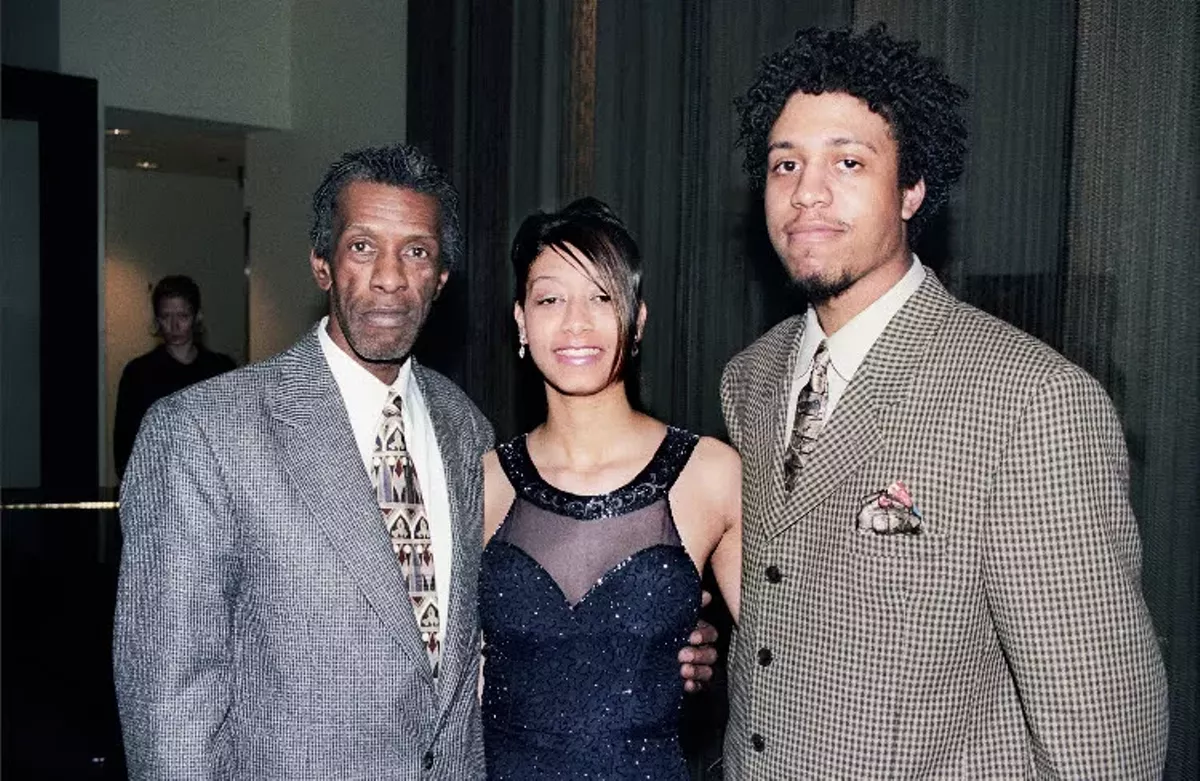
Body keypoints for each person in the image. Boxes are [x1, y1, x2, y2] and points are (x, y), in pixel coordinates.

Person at [113, 144, 714, 780]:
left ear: (441, 279)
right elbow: (168, 704)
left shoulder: (465, 431)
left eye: (417, 252)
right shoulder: (202, 432)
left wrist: (657, 637)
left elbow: (500, 639)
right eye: (363, 247)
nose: (391, 277)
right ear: (322, 264)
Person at [719, 25, 1169, 778]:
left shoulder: (1034, 403)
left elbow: (1101, 734)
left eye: (849, 161)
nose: (807, 191)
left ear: (913, 188)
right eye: (785, 163)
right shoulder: (750, 379)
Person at [478, 198, 742, 779]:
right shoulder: (482, 481)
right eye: (550, 299)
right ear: (521, 320)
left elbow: (780, 662)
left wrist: (705, 654)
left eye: (602, 297)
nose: (577, 322)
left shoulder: (710, 474)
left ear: (637, 318)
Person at [112, 275, 235, 480]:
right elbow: (125, 445)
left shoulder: (220, 369)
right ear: (157, 319)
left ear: (197, 317)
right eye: (166, 317)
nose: (174, 326)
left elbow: (234, 436)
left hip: (209, 483)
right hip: (155, 482)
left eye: (183, 316)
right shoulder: (138, 373)